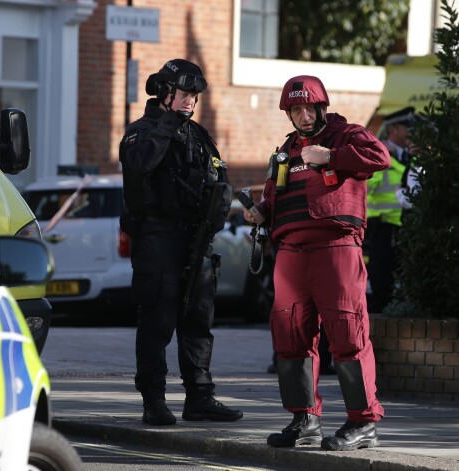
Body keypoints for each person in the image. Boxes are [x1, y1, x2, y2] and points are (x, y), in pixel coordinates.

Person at [244, 75, 388, 451]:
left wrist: (332, 157)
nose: (304, 116)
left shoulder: (346, 134)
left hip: (335, 247)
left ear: (322, 106)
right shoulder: (286, 151)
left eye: (309, 108)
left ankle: (363, 422)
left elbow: (380, 157)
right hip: (291, 253)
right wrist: (261, 211)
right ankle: (304, 419)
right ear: (288, 113)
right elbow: (276, 197)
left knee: (347, 333)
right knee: (290, 337)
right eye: (296, 110)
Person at [119, 59, 242, 426]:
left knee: (198, 321)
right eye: (185, 93)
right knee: (157, 320)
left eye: (195, 95)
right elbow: (140, 165)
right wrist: (167, 124)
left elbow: (219, 176)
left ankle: (200, 397)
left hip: (196, 238)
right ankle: (154, 399)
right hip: (158, 237)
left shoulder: (199, 135)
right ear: (165, 92)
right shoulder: (141, 131)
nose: (191, 100)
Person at [365, 107, 416, 313]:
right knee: (381, 280)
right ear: (393, 129)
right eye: (407, 128)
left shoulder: (408, 155)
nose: (411, 133)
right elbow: (365, 187)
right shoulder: (381, 155)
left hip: (402, 227)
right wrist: (380, 159)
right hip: (381, 228)